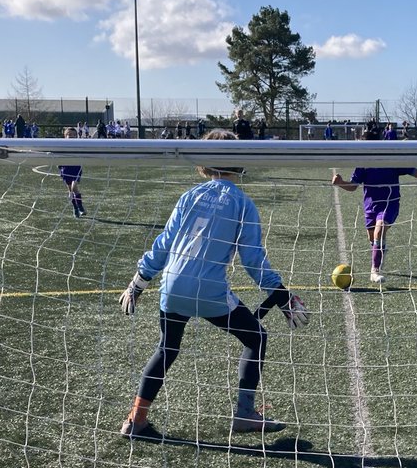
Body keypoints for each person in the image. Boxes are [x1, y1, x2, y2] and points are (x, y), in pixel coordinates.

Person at [119, 128, 307, 442]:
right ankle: (244, 413)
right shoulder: (242, 203)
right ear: (240, 160)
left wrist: (138, 282)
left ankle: (135, 420)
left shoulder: (189, 196)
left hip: (171, 287)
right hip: (209, 291)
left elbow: (164, 244)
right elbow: (253, 260)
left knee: (167, 348)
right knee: (256, 338)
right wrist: (282, 296)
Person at [331, 126, 417, 284]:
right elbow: (353, 186)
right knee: (374, 238)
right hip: (370, 207)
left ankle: (375, 270)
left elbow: (415, 172)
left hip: (390, 203)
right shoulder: (362, 164)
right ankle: (380, 249)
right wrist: (340, 183)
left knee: (380, 229)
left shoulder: (391, 160)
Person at [59, 126, 86, 218]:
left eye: (73, 135)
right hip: (65, 169)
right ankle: (75, 208)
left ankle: (80, 207)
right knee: (70, 190)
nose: (71, 136)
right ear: (65, 136)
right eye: (69, 134)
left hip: (76, 169)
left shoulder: (78, 145)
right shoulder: (61, 145)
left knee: (74, 188)